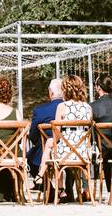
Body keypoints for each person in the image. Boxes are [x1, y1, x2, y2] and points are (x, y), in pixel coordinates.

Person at [37, 75, 93, 203]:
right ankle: (73, 188)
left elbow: (56, 134)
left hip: (65, 153)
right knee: (52, 143)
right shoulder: (88, 108)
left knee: (51, 142)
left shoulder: (62, 107)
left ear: (65, 90)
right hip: (83, 152)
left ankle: (44, 178)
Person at [27, 78, 63, 178]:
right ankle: (67, 188)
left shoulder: (40, 111)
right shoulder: (69, 109)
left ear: (50, 92)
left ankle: (46, 187)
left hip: (44, 152)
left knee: (30, 157)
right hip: (69, 152)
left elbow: (32, 136)